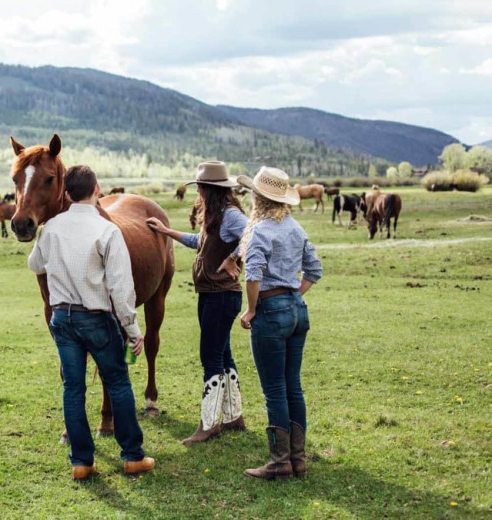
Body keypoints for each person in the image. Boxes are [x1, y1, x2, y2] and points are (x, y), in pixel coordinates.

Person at [28, 165, 155, 481]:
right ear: (98, 191)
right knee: (118, 382)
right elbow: (121, 287)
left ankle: (82, 462)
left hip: (62, 318)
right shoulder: (107, 231)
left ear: (66, 194)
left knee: (73, 387)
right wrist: (133, 330)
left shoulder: (51, 229)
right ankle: (132, 457)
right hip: (96, 318)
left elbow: (34, 264)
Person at [229, 166, 323, 481]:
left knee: (274, 389)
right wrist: (293, 294)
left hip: (270, 311)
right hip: (298, 311)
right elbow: (314, 269)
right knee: (292, 385)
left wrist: (252, 310)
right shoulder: (296, 228)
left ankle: (280, 462)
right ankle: (298, 460)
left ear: (258, 197)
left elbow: (253, 274)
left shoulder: (259, 230)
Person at [147, 161, 248, 446]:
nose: (199, 193)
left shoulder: (230, 216)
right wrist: (167, 232)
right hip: (213, 295)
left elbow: (252, 235)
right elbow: (199, 242)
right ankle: (233, 415)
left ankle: (208, 425)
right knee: (223, 354)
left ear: (209, 189)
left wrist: (234, 258)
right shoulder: (217, 216)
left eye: (201, 188)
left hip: (221, 295)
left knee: (211, 357)